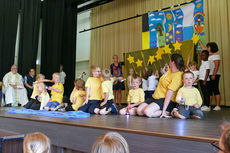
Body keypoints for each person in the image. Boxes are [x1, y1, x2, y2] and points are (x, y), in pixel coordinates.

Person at [137, 53, 184, 118]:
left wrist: (164, 110)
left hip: (166, 100)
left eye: (170, 60)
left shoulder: (178, 75)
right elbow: (165, 79)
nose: (169, 62)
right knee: (139, 111)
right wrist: (163, 72)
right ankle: (158, 110)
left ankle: (168, 112)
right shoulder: (170, 70)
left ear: (173, 62)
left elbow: (169, 93)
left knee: (147, 112)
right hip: (156, 97)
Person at [199, 41, 221, 111]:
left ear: (212, 48)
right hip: (209, 75)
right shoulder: (208, 54)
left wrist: (214, 74)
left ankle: (218, 105)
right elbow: (203, 47)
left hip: (215, 74)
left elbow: (217, 66)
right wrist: (198, 39)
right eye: (207, 47)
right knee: (209, 90)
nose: (207, 48)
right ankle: (208, 105)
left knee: (215, 89)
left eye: (208, 47)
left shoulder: (216, 55)